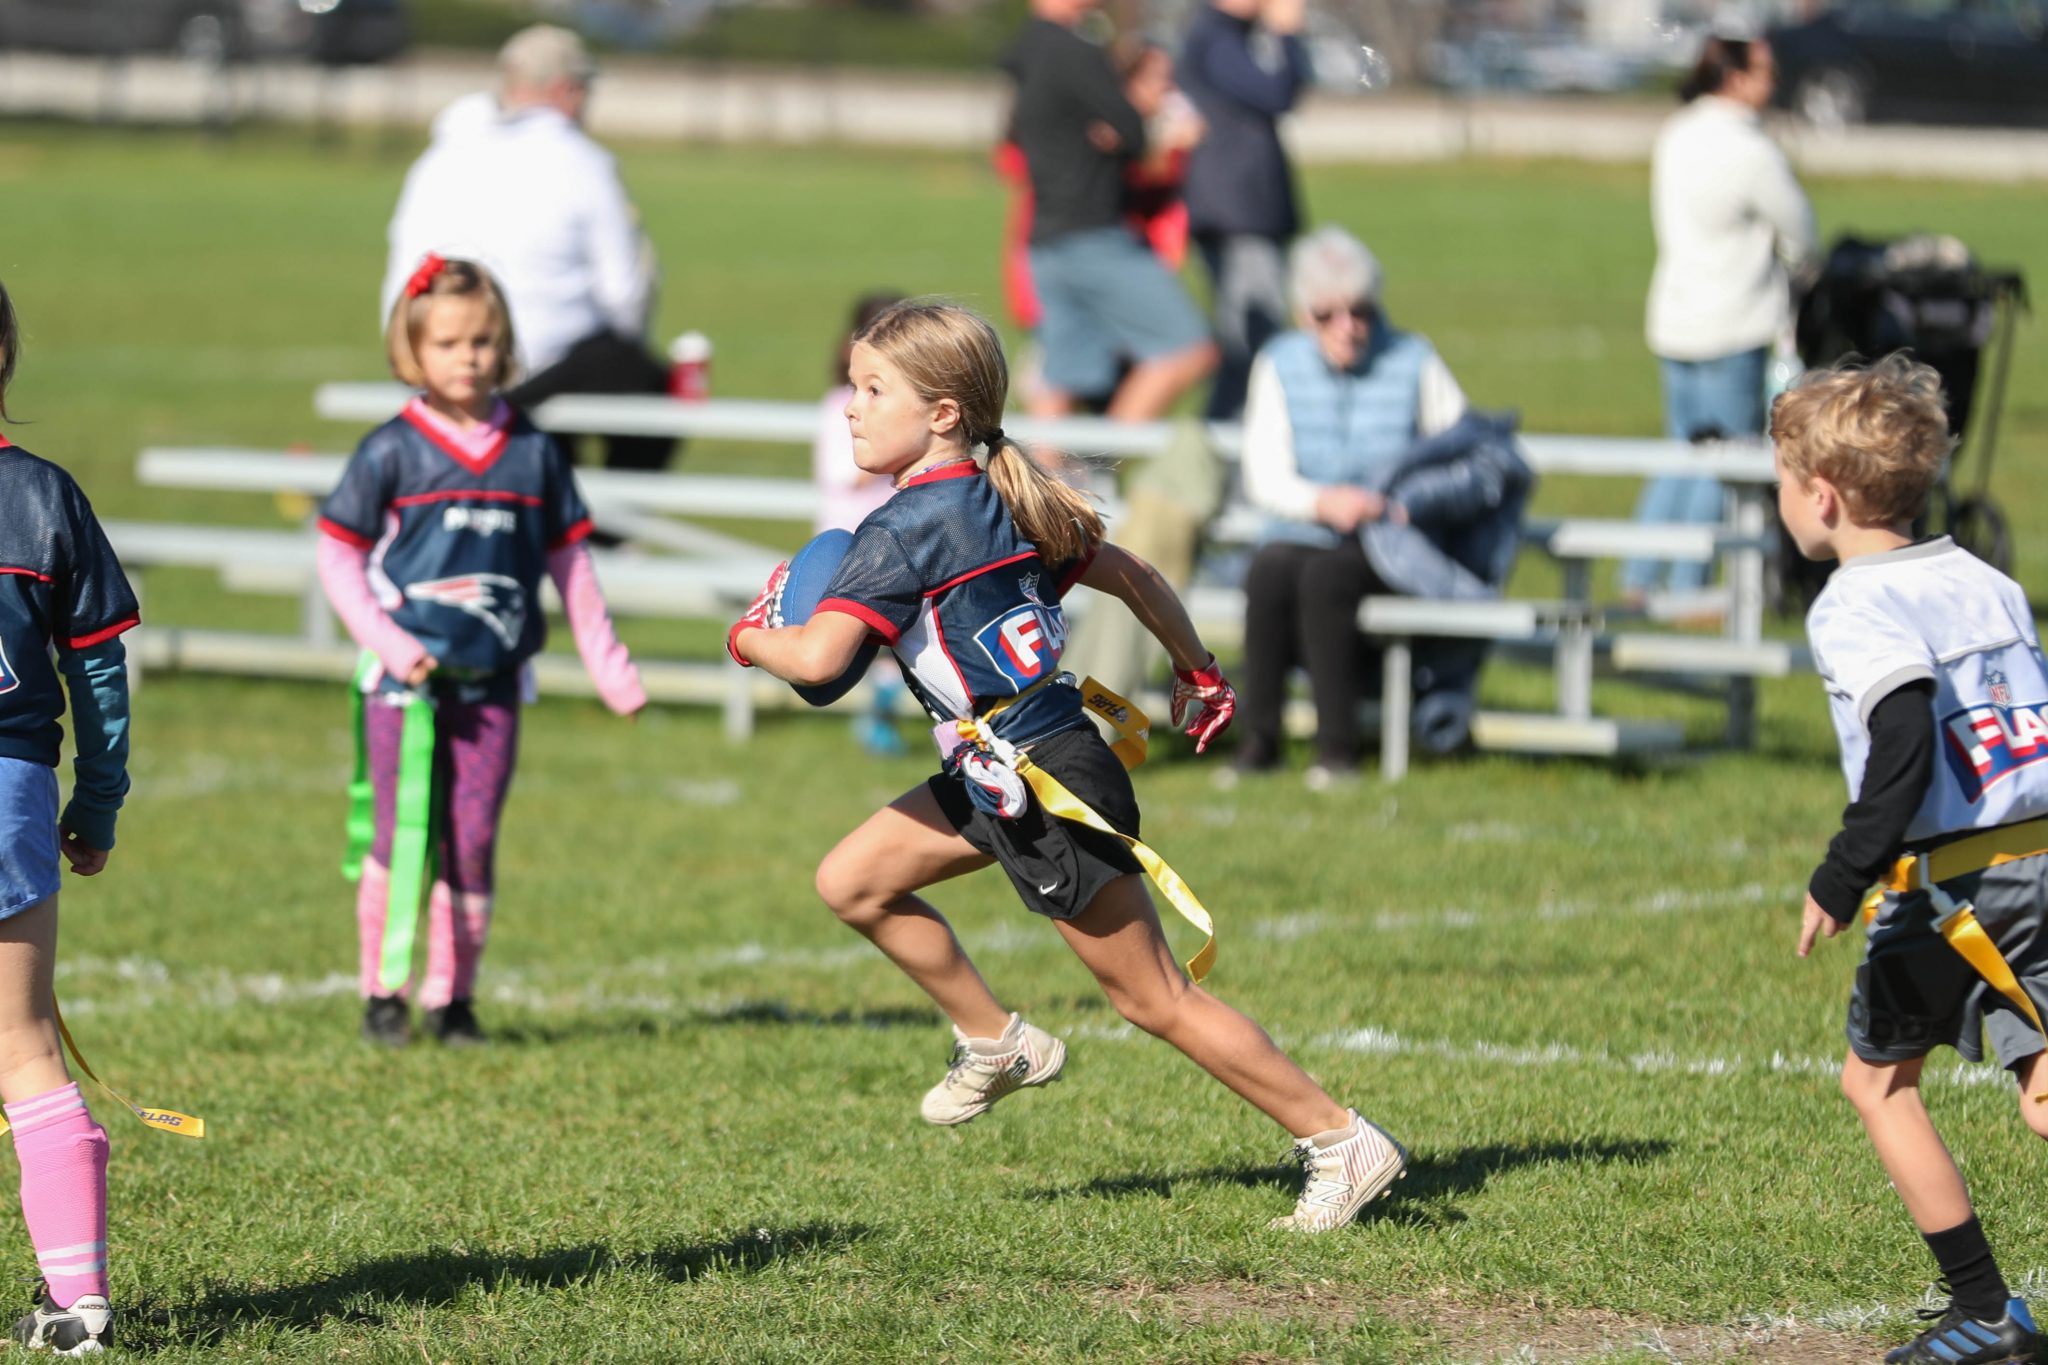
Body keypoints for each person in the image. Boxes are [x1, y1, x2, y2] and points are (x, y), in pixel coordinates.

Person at [726, 302, 1405, 1232]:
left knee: (1154, 997)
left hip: (1041, 779)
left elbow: (814, 663)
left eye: (873, 389)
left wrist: (748, 634)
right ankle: (996, 1040)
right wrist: (1198, 670)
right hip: (1009, 763)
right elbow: (1135, 574)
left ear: (943, 413)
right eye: (853, 386)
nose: (850, 407)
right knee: (853, 880)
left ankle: (1339, 1137)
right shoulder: (1010, 495)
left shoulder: (900, 531)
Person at [1781, 355, 2045, 1365]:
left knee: (1877, 1083)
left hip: (1957, 888)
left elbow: (1903, 735)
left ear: (1822, 496)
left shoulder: (1853, 604)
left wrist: (1840, 874)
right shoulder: (1985, 578)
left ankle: (1984, 1313)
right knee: (2042, 1093)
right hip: (2041, 854)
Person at [321, 256, 646, 1048]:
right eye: (448, 342)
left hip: (493, 687)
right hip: (403, 691)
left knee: (470, 842)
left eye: (483, 340)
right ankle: (383, 992)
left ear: (505, 345)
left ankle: (453, 999)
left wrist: (610, 667)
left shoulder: (532, 451)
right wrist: (392, 645)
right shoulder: (390, 450)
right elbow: (337, 555)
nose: (467, 356)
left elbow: (572, 565)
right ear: (411, 350)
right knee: (402, 835)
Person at [0, 281, 139, 1355]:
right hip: (10, 796)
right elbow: (97, 673)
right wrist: (94, 802)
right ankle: (80, 1306)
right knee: (23, 1044)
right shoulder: (44, 496)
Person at [1235, 227, 1485, 785]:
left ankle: (1337, 750)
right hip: (1304, 526)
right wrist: (1323, 502)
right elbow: (1265, 475)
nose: (1347, 326)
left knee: (1327, 578)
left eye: (1361, 311)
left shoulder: (1414, 359)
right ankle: (1259, 741)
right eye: (1328, 314)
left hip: (1391, 541)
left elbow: (1466, 451)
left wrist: (1404, 502)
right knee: (1269, 570)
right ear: (1304, 315)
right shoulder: (1278, 362)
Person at [382, 25, 675, 475]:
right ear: (567, 90)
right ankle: (613, 515)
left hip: (436, 364)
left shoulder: (438, 158)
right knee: (638, 375)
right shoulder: (583, 163)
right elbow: (624, 293)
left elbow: (400, 275)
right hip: (532, 371)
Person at [1625, 32, 1814, 600]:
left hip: (1675, 315)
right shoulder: (1750, 150)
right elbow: (1801, 230)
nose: (1773, 83)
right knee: (1724, 459)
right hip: (1733, 321)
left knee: (1679, 452)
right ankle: (1688, 589)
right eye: (1765, 73)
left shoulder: (1676, 133)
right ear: (1734, 78)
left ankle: (1638, 576)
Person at [1001, 0, 1218, 421]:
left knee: (1062, 378)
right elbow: (1132, 132)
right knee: (1189, 349)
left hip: (1045, 239)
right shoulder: (1076, 51)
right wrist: (1159, 138)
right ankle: (1105, 457)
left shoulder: (1028, 50)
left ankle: (1042, 469)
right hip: (1093, 234)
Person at [1178, 0, 1311, 421]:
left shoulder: (1228, 35)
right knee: (1252, 344)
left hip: (1244, 211)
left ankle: (1228, 445)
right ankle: (1223, 446)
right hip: (1237, 216)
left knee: (1254, 343)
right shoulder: (1217, 37)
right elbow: (1275, 93)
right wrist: (1287, 35)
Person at [814, 291, 910, 758]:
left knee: (904, 637)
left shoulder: (907, 409)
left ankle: (885, 714)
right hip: (852, 543)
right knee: (865, 637)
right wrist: (899, 451)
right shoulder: (840, 406)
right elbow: (842, 473)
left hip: (902, 540)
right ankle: (873, 715)